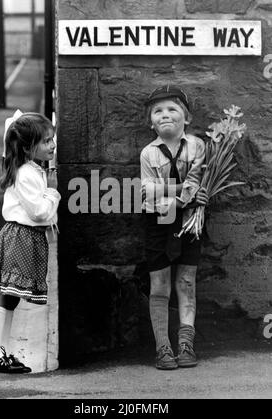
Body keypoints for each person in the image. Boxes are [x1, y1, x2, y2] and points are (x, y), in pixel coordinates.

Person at [0, 112, 61, 373]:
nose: (53, 145)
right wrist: (52, 190)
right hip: (21, 237)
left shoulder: (31, 169)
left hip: (27, 238)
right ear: (28, 147)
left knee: (11, 298)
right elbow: (39, 212)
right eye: (47, 141)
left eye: (52, 139)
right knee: (5, 296)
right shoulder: (26, 173)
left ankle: (1, 353)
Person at [140, 85, 208, 370]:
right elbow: (146, 192)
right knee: (160, 284)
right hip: (159, 221)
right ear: (150, 121)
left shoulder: (197, 146)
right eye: (158, 111)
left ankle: (185, 344)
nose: (165, 115)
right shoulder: (148, 154)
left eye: (172, 109)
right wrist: (183, 194)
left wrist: (185, 194)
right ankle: (163, 348)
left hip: (190, 220)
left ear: (187, 117)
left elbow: (198, 183)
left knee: (187, 281)